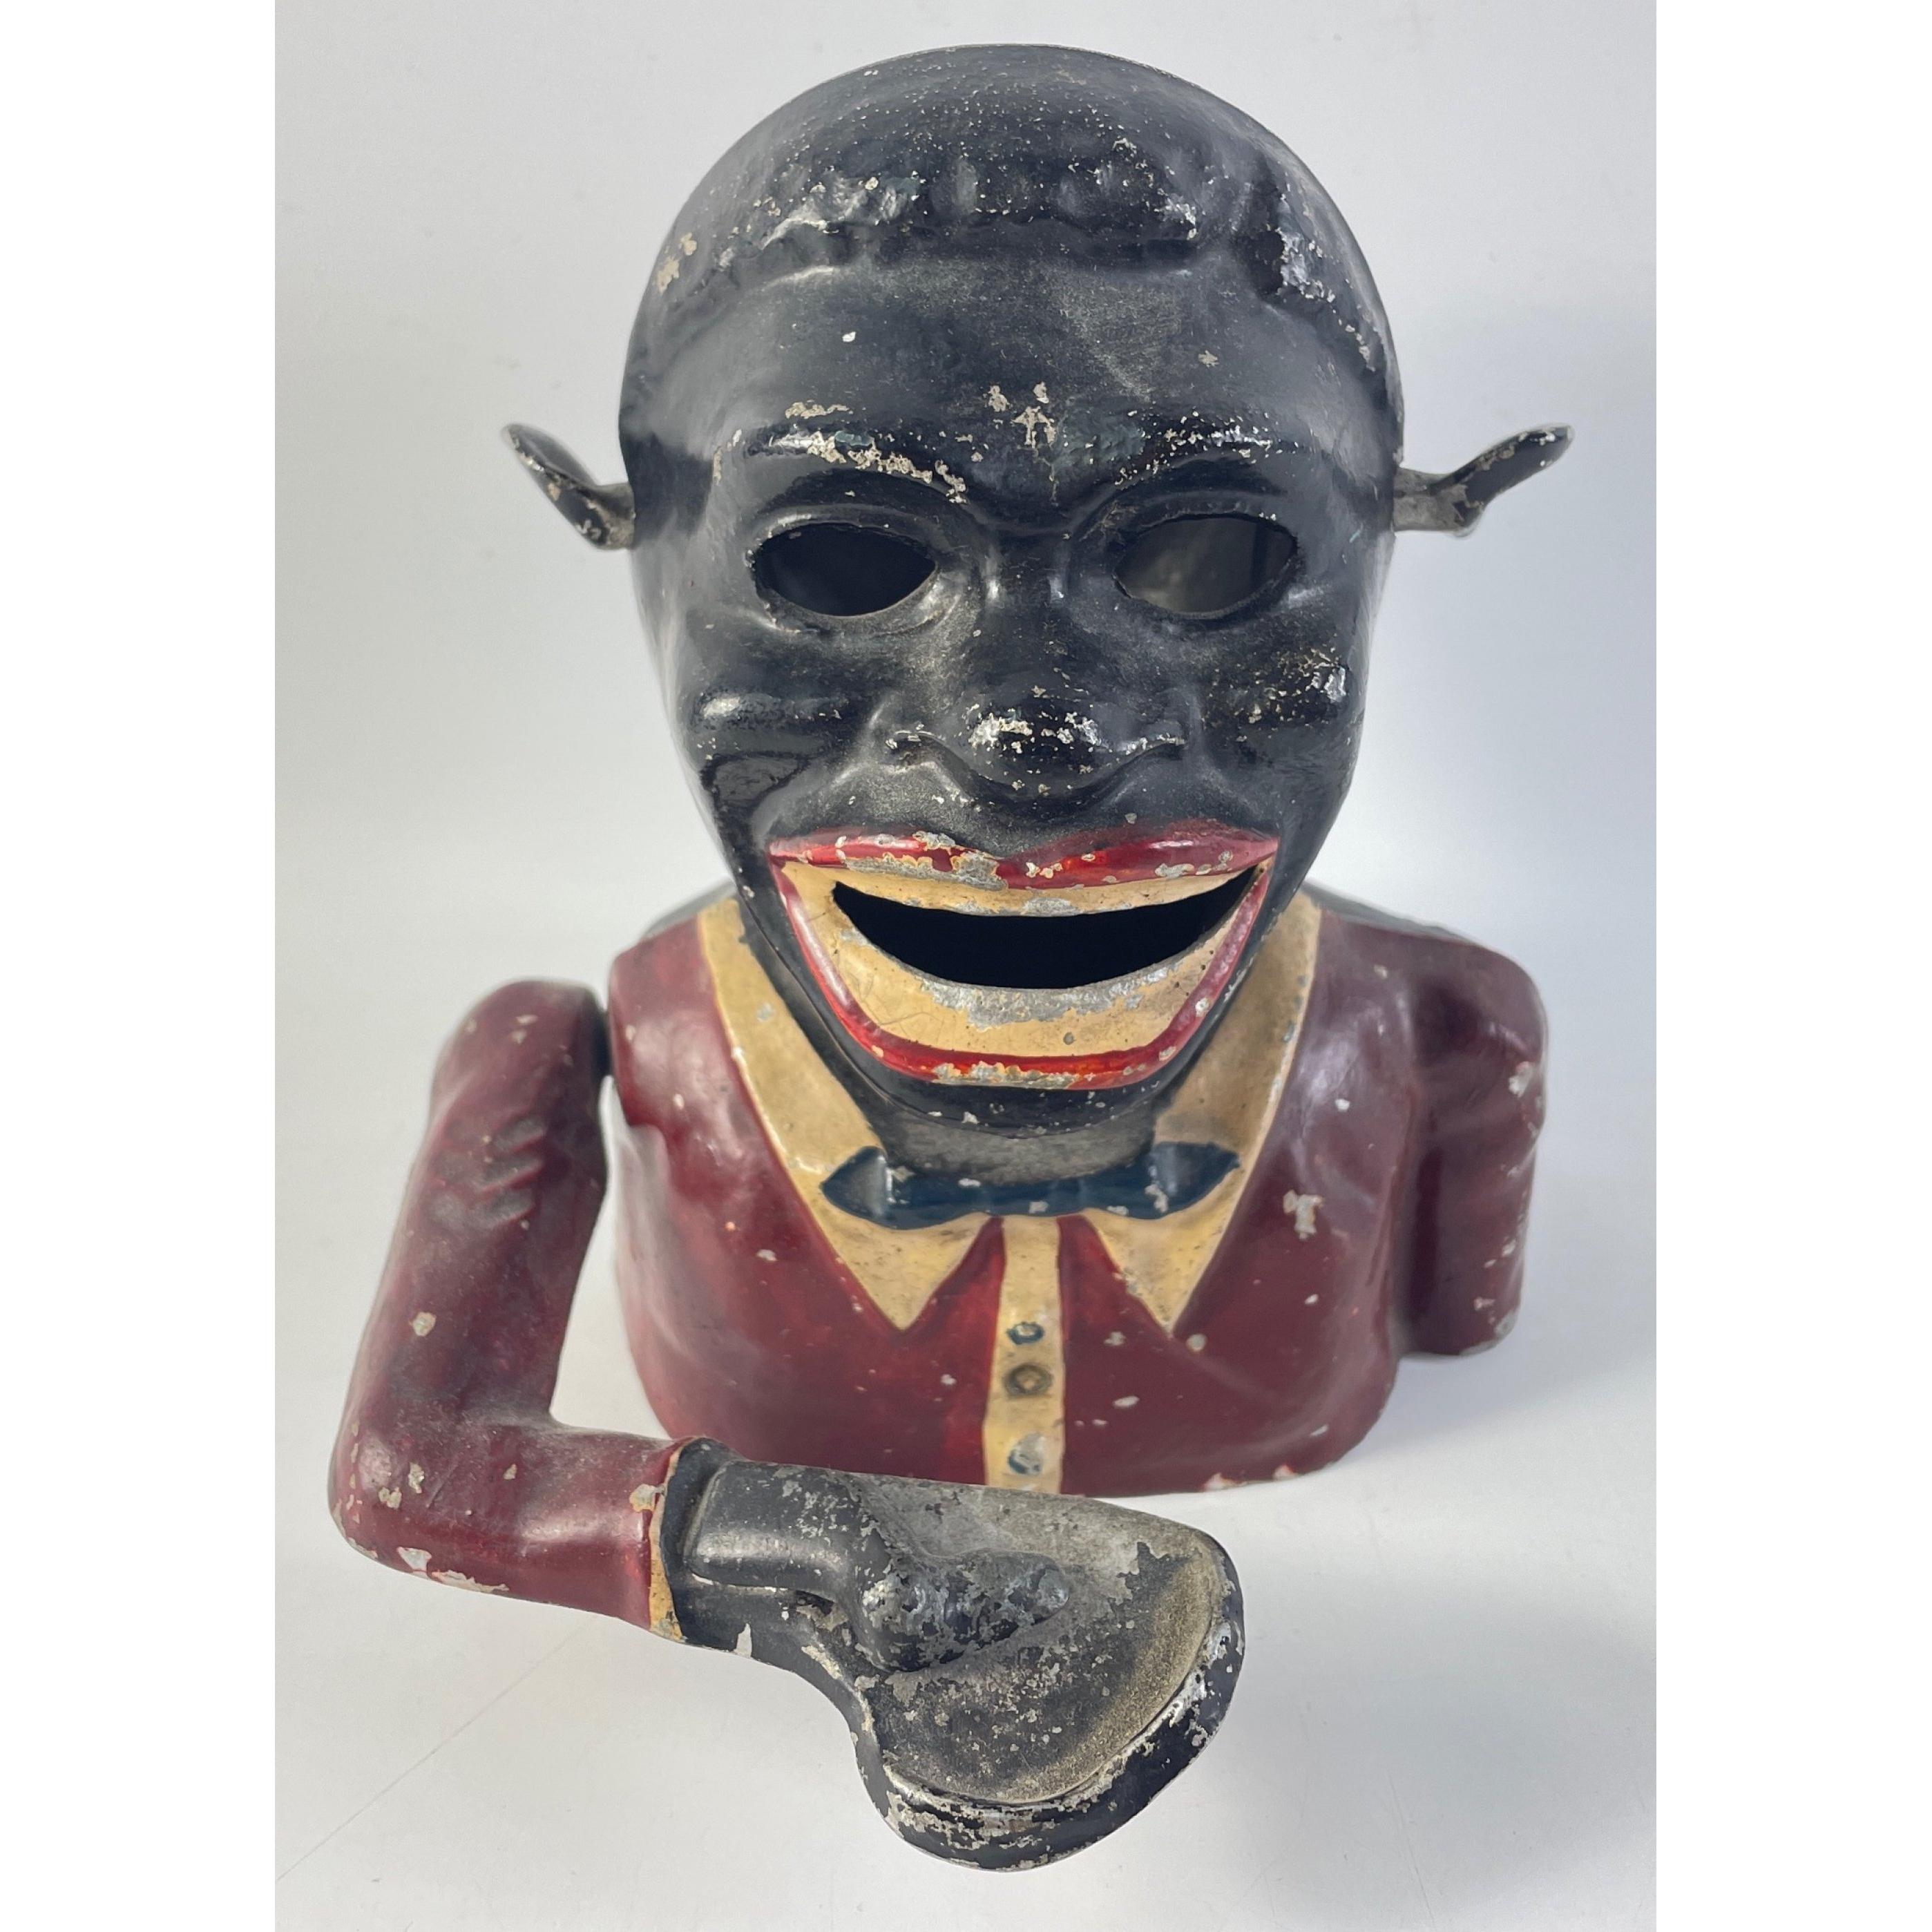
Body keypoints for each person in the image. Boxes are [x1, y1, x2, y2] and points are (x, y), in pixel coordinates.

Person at [331, 44, 1568, 1864]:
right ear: (647, 559)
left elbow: (1475, 1326)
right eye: (844, 560)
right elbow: (407, 1466)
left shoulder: (1452, 1032)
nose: (1029, 735)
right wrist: (814, 1562)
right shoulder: (589, 1046)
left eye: (1210, 557)